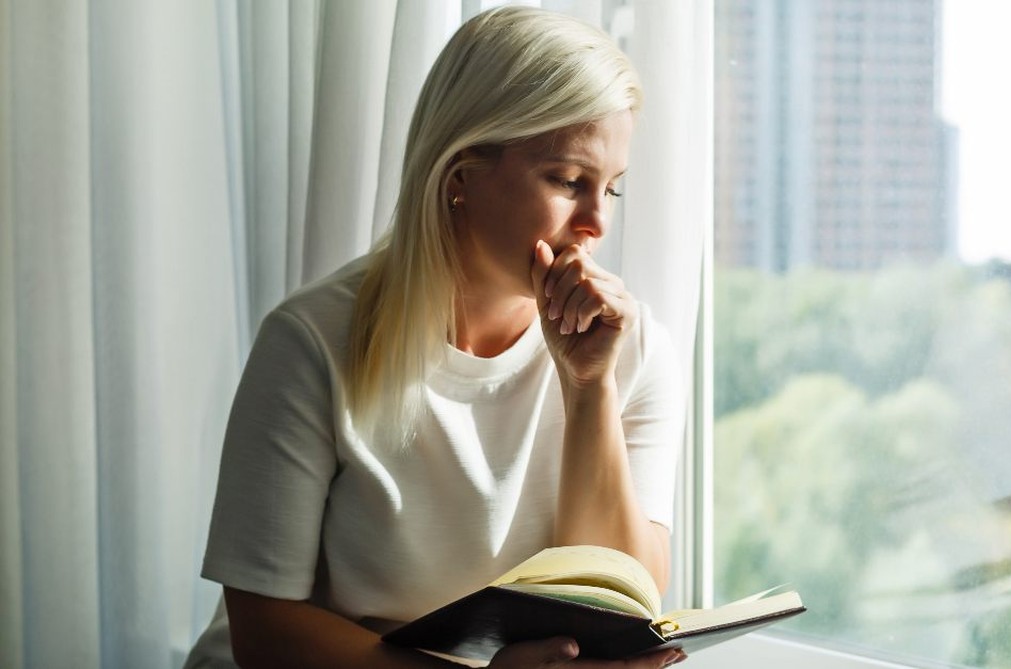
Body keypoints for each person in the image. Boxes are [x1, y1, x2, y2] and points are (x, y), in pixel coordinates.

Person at [184, 6, 686, 668]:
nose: (596, 222)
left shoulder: (633, 347)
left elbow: (623, 602)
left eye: (612, 189)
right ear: (460, 178)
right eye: (568, 181)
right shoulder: (311, 342)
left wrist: (588, 386)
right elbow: (265, 631)